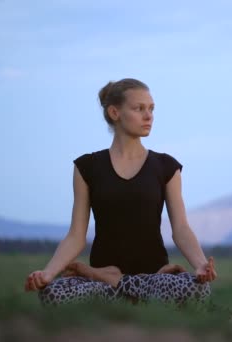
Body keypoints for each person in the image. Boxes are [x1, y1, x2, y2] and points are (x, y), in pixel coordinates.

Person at [24, 78, 217, 306]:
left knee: (198, 290)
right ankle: (117, 284)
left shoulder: (166, 166)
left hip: (154, 279)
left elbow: (181, 228)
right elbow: (76, 235)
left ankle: (118, 281)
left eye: (151, 109)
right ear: (115, 112)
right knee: (52, 294)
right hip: (101, 284)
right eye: (139, 109)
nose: (149, 116)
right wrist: (47, 273)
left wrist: (200, 265)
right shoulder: (87, 167)